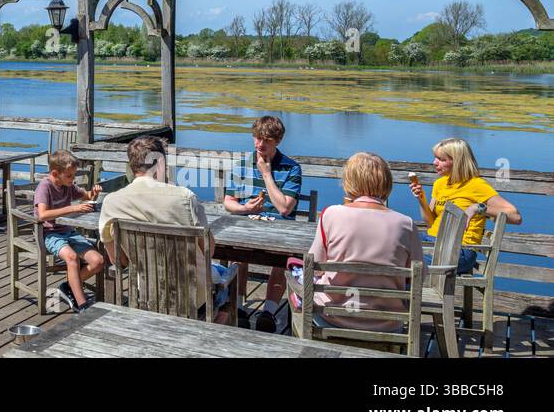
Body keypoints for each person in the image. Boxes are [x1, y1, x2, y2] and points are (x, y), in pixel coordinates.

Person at [98, 135, 240, 323]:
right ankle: (211, 335)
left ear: (131, 166)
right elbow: (208, 250)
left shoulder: (111, 202)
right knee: (226, 287)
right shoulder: (184, 197)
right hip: (194, 300)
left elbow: (118, 260)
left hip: (148, 297)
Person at [287, 152, 425, 333]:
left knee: (294, 279)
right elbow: (419, 276)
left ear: (349, 181)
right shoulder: (405, 223)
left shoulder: (331, 214)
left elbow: (316, 266)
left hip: (332, 317)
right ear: (386, 182)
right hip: (389, 323)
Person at [223, 115, 303, 311]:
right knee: (237, 252)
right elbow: (228, 202)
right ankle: (239, 307)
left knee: (282, 256)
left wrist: (266, 174)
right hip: (247, 223)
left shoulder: (291, 168)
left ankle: (269, 311)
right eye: (257, 138)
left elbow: (284, 208)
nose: (260, 144)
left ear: (278, 141)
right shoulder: (241, 165)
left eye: (266, 140)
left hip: (279, 227)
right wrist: (245, 208)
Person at [410, 137, 522, 274]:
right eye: (435, 157)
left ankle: (402, 293)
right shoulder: (440, 184)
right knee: (392, 244)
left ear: (457, 161)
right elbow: (430, 223)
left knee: (403, 261)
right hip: (432, 240)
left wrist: (478, 208)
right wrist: (421, 198)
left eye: (441, 159)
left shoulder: (476, 185)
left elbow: (515, 217)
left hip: (460, 250)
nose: (435, 162)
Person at [34, 151, 104, 312]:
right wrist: (73, 208)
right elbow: (42, 215)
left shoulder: (67, 185)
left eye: (74, 175)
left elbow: (86, 196)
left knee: (98, 261)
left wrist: (94, 193)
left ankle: (68, 286)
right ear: (55, 173)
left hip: (69, 231)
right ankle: (82, 306)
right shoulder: (44, 187)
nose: (73, 179)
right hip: (49, 233)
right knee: (72, 258)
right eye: (69, 176)